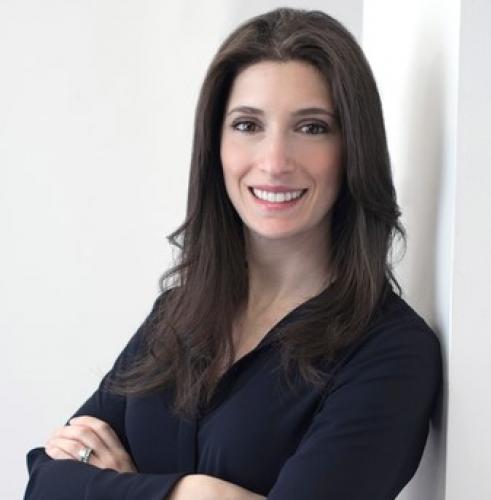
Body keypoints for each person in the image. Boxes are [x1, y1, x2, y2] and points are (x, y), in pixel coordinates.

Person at [23, 7, 442, 500]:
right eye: (247, 125)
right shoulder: (177, 314)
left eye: (311, 128)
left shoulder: (392, 353)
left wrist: (127, 487)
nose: (274, 161)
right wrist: (195, 493)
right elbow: (46, 481)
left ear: (353, 149)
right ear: (216, 146)